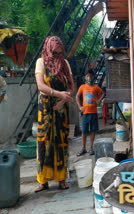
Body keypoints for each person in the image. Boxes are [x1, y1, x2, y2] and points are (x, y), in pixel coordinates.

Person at [34, 36, 74, 192]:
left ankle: (61, 178)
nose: (57, 55)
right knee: (43, 143)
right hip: (45, 109)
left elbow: (71, 87)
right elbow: (41, 86)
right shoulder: (41, 62)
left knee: (61, 142)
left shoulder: (65, 64)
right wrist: (59, 94)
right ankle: (42, 181)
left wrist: (63, 101)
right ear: (48, 49)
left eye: (60, 52)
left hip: (61, 109)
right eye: (54, 52)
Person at [76, 69, 105, 156]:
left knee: (93, 130)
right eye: (88, 76)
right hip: (85, 113)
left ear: (93, 77)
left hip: (93, 113)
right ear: (85, 77)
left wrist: (99, 100)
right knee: (84, 131)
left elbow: (103, 93)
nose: (89, 77)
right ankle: (83, 148)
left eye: (91, 76)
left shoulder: (96, 88)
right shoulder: (82, 87)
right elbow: (77, 96)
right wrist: (79, 106)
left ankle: (91, 148)